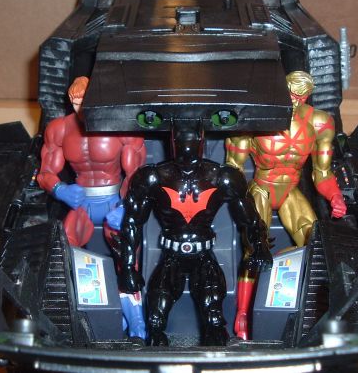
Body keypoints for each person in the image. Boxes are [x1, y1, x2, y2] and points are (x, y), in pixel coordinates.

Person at [115, 123, 272, 346]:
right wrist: (128, 267)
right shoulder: (153, 177)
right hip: (171, 255)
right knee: (155, 318)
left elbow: (250, 219)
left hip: (203, 255)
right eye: (180, 141)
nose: (185, 147)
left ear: (201, 141)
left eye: (191, 140)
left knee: (214, 317)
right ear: (172, 142)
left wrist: (260, 246)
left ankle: (215, 357)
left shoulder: (222, 176)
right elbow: (132, 222)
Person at [225, 70, 346, 339]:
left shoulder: (320, 123)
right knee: (254, 248)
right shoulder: (254, 120)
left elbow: (322, 173)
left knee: (316, 244)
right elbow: (233, 170)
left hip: (291, 189)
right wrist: (242, 206)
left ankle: (314, 308)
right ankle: (242, 314)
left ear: (308, 95)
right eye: (290, 94)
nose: (294, 101)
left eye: (301, 97)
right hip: (262, 187)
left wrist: (335, 196)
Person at [37, 75, 147, 339]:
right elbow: (44, 174)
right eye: (75, 102)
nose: (80, 108)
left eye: (85, 101)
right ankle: (84, 318)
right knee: (64, 252)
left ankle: (136, 322)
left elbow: (137, 173)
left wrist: (127, 205)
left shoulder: (120, 126)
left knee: (128, 258)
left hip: (113, 200)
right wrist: (60, 189)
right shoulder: (59, 129)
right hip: (81, 202)